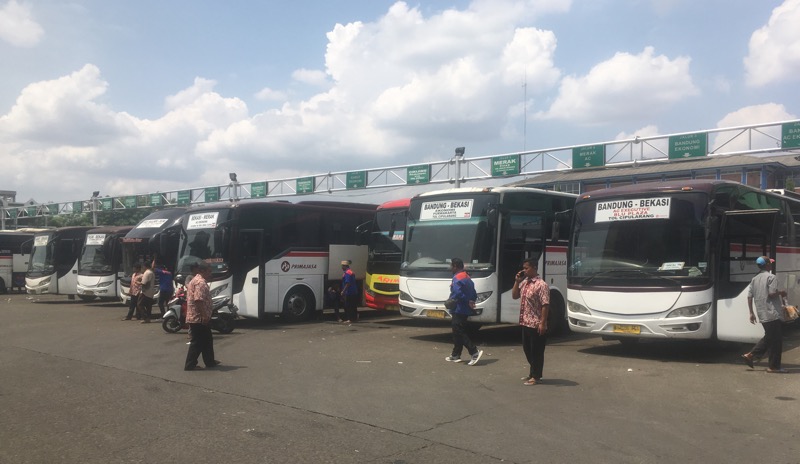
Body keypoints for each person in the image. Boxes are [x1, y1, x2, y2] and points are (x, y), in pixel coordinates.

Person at [741, 256, 788, 373]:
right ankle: (773, 367)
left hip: (762, 313)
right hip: (772, 313)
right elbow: (772, 294)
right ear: (767, 265)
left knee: (770, 338)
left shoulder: (754, 279)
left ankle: (751, 355)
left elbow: (749, 296)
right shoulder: (771, 277)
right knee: (776, 341)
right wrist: (782, 293)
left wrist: (751, 313)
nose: (771, 265)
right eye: (770, 263)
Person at [512, 258, 549, 385]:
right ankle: (532, 373)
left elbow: (545, 304)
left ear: (534, 268)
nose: (524, 270)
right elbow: (515, 295)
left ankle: (536, 376)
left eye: (526, 268)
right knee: (527, 349)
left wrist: (543, 323)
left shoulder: (541, 284)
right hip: (525, 322)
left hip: (536, 323)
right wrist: (517, 282)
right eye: (524, 268)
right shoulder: (525, 282)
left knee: (536, 351)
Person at [444, 258, 483, 366]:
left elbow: (457, 293)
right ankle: (455, 354)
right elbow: (473, 292)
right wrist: (471, 300)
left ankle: (474, 352)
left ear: (455, 266)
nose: (450, 268)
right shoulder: (466, 276)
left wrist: (450, 301)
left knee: (458, 330)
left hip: (459, 308)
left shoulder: (457, 277)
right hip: (465, 308)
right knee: (456, 331)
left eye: (451, 266)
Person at [184, 261, 220, 370]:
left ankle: (210, 361)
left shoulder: (195, 280)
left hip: (197, 316)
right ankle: (190, 364)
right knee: (197, 342)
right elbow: (198, 300)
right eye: (209, 271)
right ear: (202, 271)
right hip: (198, 317)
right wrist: (204, 316)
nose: (210, 273)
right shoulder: (200, 283)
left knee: (207, 340)